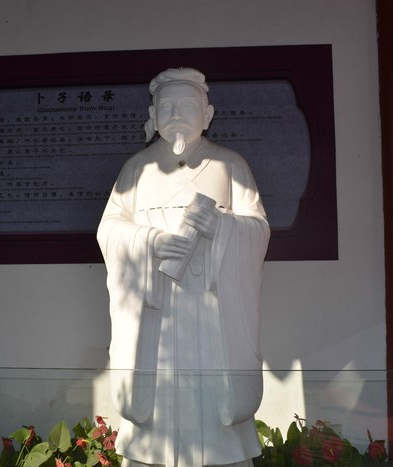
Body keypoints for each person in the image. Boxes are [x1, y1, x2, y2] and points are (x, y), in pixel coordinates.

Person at [97, 68, 270, 467]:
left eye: (187, 106)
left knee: (215, 420)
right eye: (167, 107)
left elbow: (258, 229)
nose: (176, 114)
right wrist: (149, 243)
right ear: (152, 115)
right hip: (155, 315)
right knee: (156, 412)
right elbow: (110, 230)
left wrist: (222, 226)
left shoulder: (230, 165)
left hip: (212, 316)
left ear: (207, 114)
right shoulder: (136, 170)